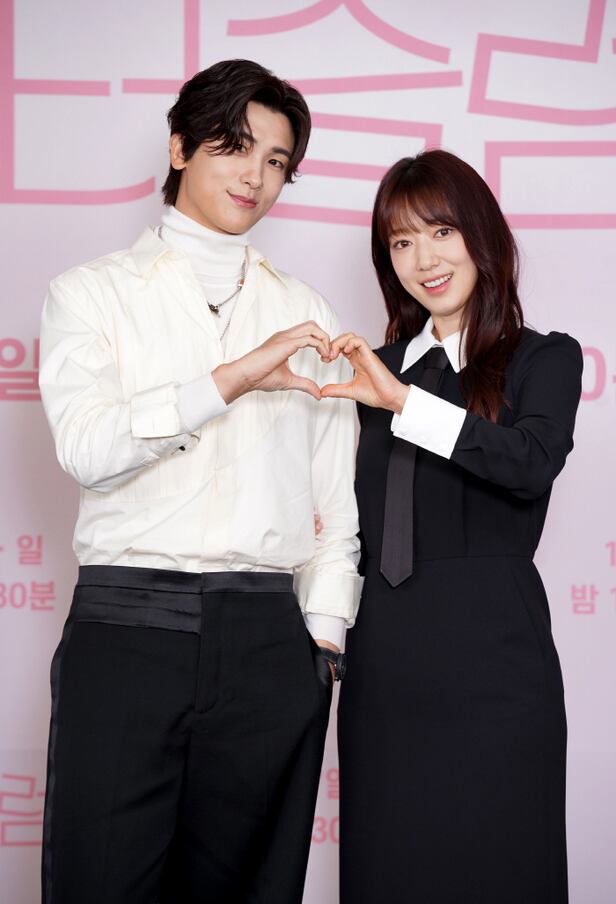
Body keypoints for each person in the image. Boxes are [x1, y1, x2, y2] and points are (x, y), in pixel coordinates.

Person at [39, 59, 361, 904]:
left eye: (277, 160)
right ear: (180, 147)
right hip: (128, 623)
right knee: (99, 882)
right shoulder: (89, 295)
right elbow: (87, 447)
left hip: (269, 639)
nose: (256, 176)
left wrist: (323, 641)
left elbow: (335, 498)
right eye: (234, 146)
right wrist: (231, 379)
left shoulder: (308, 313)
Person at [321, 149, 583, 904]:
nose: (424, 260)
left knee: (501, 872)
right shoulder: (369, 371)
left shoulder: (541, 358)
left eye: (441, 232)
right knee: (386, 873)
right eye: (401, 242)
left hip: (497, 668)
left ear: (482, 235)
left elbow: (530, 462)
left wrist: (405, 404)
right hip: (384, 669)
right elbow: (336, 514)